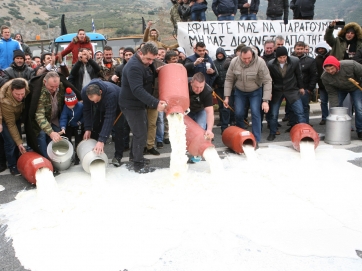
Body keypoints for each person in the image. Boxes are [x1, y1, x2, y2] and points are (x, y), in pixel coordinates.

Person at [118, 42, 167, 173]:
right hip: (131, 105)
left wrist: (155, 73)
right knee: (141, 134)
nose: (151, 62)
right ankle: (138, 165)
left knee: (140, 132)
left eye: (153, 59)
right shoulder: (134, 66)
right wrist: (156, 103)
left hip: (137, 104)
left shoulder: (141, 62)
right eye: (148, 59)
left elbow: (146, 78)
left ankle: (135, 158)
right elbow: (137, 90)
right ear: (140, 53)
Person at [25, 71, 81, 160]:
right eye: (51, 87)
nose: (54, 89)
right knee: (42, 136)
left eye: (56, 86)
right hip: (40, 122)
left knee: (59, 135)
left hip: (55, 118)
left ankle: (57, 159)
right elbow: (39, 115)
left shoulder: (62, 86)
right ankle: (45, 160)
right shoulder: (39, 92)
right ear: (44, 82)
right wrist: (50, 132)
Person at [224, 46, 272, 143]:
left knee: (255, 113)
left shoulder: (260, 62)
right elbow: (229, 79)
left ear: (252, 55)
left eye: (249, 58)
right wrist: (227, 97)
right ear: (240, 55)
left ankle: (256, 140)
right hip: (240, 91)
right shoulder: (234, 62)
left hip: (255, 91)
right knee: (238, 113)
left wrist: (265, 100)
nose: (246, 60)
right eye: (244, 58)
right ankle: (242, 137)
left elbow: (267, 81)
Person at [82, 79, 125, 166]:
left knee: (119, 129)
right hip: (101, 105)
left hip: (119, 106)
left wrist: (102, 140)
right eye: (92, 101)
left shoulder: (111, 94)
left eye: (95, 99)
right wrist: (88, 128)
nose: (94, 102)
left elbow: (109, 117)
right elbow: (87, 110)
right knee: (96, 125)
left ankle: (118, 156)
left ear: (100, 92)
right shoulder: (84, 92)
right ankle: (95, 152)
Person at [267, 46, 306, 141]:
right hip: (277, 90)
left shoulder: (295, 61)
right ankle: (272, 132)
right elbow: (269, 80)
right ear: (276, 57)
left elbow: (298, 75)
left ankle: (304, 133)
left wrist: (301, 87)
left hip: (291, 89)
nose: (282, 59)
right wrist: (269, 92)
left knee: (300, 112)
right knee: (273, 114)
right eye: (280, 57)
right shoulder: (271, 64)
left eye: (284, 57)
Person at [321, 55, 362, 139]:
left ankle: (360, 130)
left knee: (359, 108)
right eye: (327, 70)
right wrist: (335, 106)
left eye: (332, 68)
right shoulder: (325, 77)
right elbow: (331, 93)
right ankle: (334, 130)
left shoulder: (351, 65)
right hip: (340, 89)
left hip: (355, 87)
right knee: (334, 109)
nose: (330, 71)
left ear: (337, 66)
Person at [0, 79, 30, 176]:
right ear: (11, 90)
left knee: (19, 141)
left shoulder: (27, 90)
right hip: (6, 121)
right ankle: (12, 165)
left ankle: (18, 160)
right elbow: (10, 124)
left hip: (17, 118)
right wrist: (19, 143)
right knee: (11, 143)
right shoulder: (5, 102)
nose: (20, 96)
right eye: (17, 94)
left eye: (22, 94)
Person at [187, 72, 214, 162]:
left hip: (200, 110)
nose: (198, 89)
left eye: (201, 87)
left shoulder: (207, 91)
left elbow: (210, 112)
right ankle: (183, 152)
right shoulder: (184, 85)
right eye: (196, 87)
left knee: (200, 129)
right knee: (184, 130)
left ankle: (196, 154)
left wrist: (209, 129)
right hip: (187, 110)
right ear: (191, 83)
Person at [290, 41, 318, 126]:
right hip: (292, 88)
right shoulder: (289, 59)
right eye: (297, 49)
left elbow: (314, 75)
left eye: (301, 49)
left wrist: (310, 88)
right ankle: (293, 125)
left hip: (305, 88)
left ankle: (305, 124)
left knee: (304, 107)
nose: (299, 51)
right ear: (294, 49)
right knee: (292, 107)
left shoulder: (310, 61)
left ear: (304, 49)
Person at [59, 88, 83, 165]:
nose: (70, 106)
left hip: (77, 125)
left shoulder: (80, 106)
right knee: (67, 140)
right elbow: (63, 117)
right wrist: (63, 127)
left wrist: (80, 122)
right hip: (68, 126)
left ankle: (77, 157)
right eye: (68, 105)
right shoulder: (65, 107)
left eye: (72, 105)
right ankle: (69, 157)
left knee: (78, 141)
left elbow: (85, 116)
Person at [213, 47, 229, 134]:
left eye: (221, 54)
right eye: (218, 54)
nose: (219, 55)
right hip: (218, 87)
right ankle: (223, 121)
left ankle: (225, 125)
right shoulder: (214, 63)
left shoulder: (227, 62)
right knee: (221, 106)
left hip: (227, 87)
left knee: (226, 106)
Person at [314, 41, 330, 125]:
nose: (320, 50)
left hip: (332, 84)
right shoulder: (317, 59)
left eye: (322, 48)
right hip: (322, 84)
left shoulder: (331, 56)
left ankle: (332, 117)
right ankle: (324, 118)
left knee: (333, 102)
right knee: (323, 102)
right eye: (319, 49)